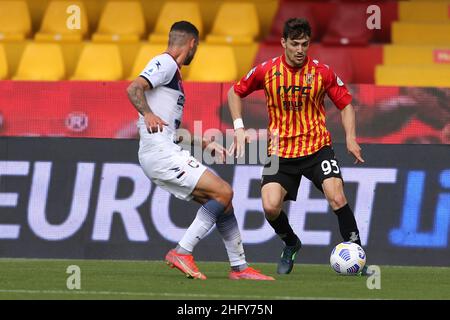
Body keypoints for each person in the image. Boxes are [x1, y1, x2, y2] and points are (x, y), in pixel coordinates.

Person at [126, 21, 273, 281]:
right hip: (160, 153)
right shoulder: (166, 63)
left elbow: (171, 130)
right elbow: (133, 87)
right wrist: (147, 113)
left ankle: (239, 268)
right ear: (192, 44)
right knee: (224, 191)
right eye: (197, 46)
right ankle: (182, 251)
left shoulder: (172, 74)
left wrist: (205, 144)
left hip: (163, 149)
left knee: (222, 202)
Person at [228, 18, 371, 275]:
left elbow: (346, 104)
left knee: (336, 196)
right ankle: (291, 243)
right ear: (283, 43)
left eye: (305, 44)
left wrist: (350, 137)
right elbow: (234, 92)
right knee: (270, 206)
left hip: (317, 148)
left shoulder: (322, 72)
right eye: (294, 44)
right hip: (280, 153)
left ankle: (357, 256)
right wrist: (238, 127)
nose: (300, 50)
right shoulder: (267, 70)